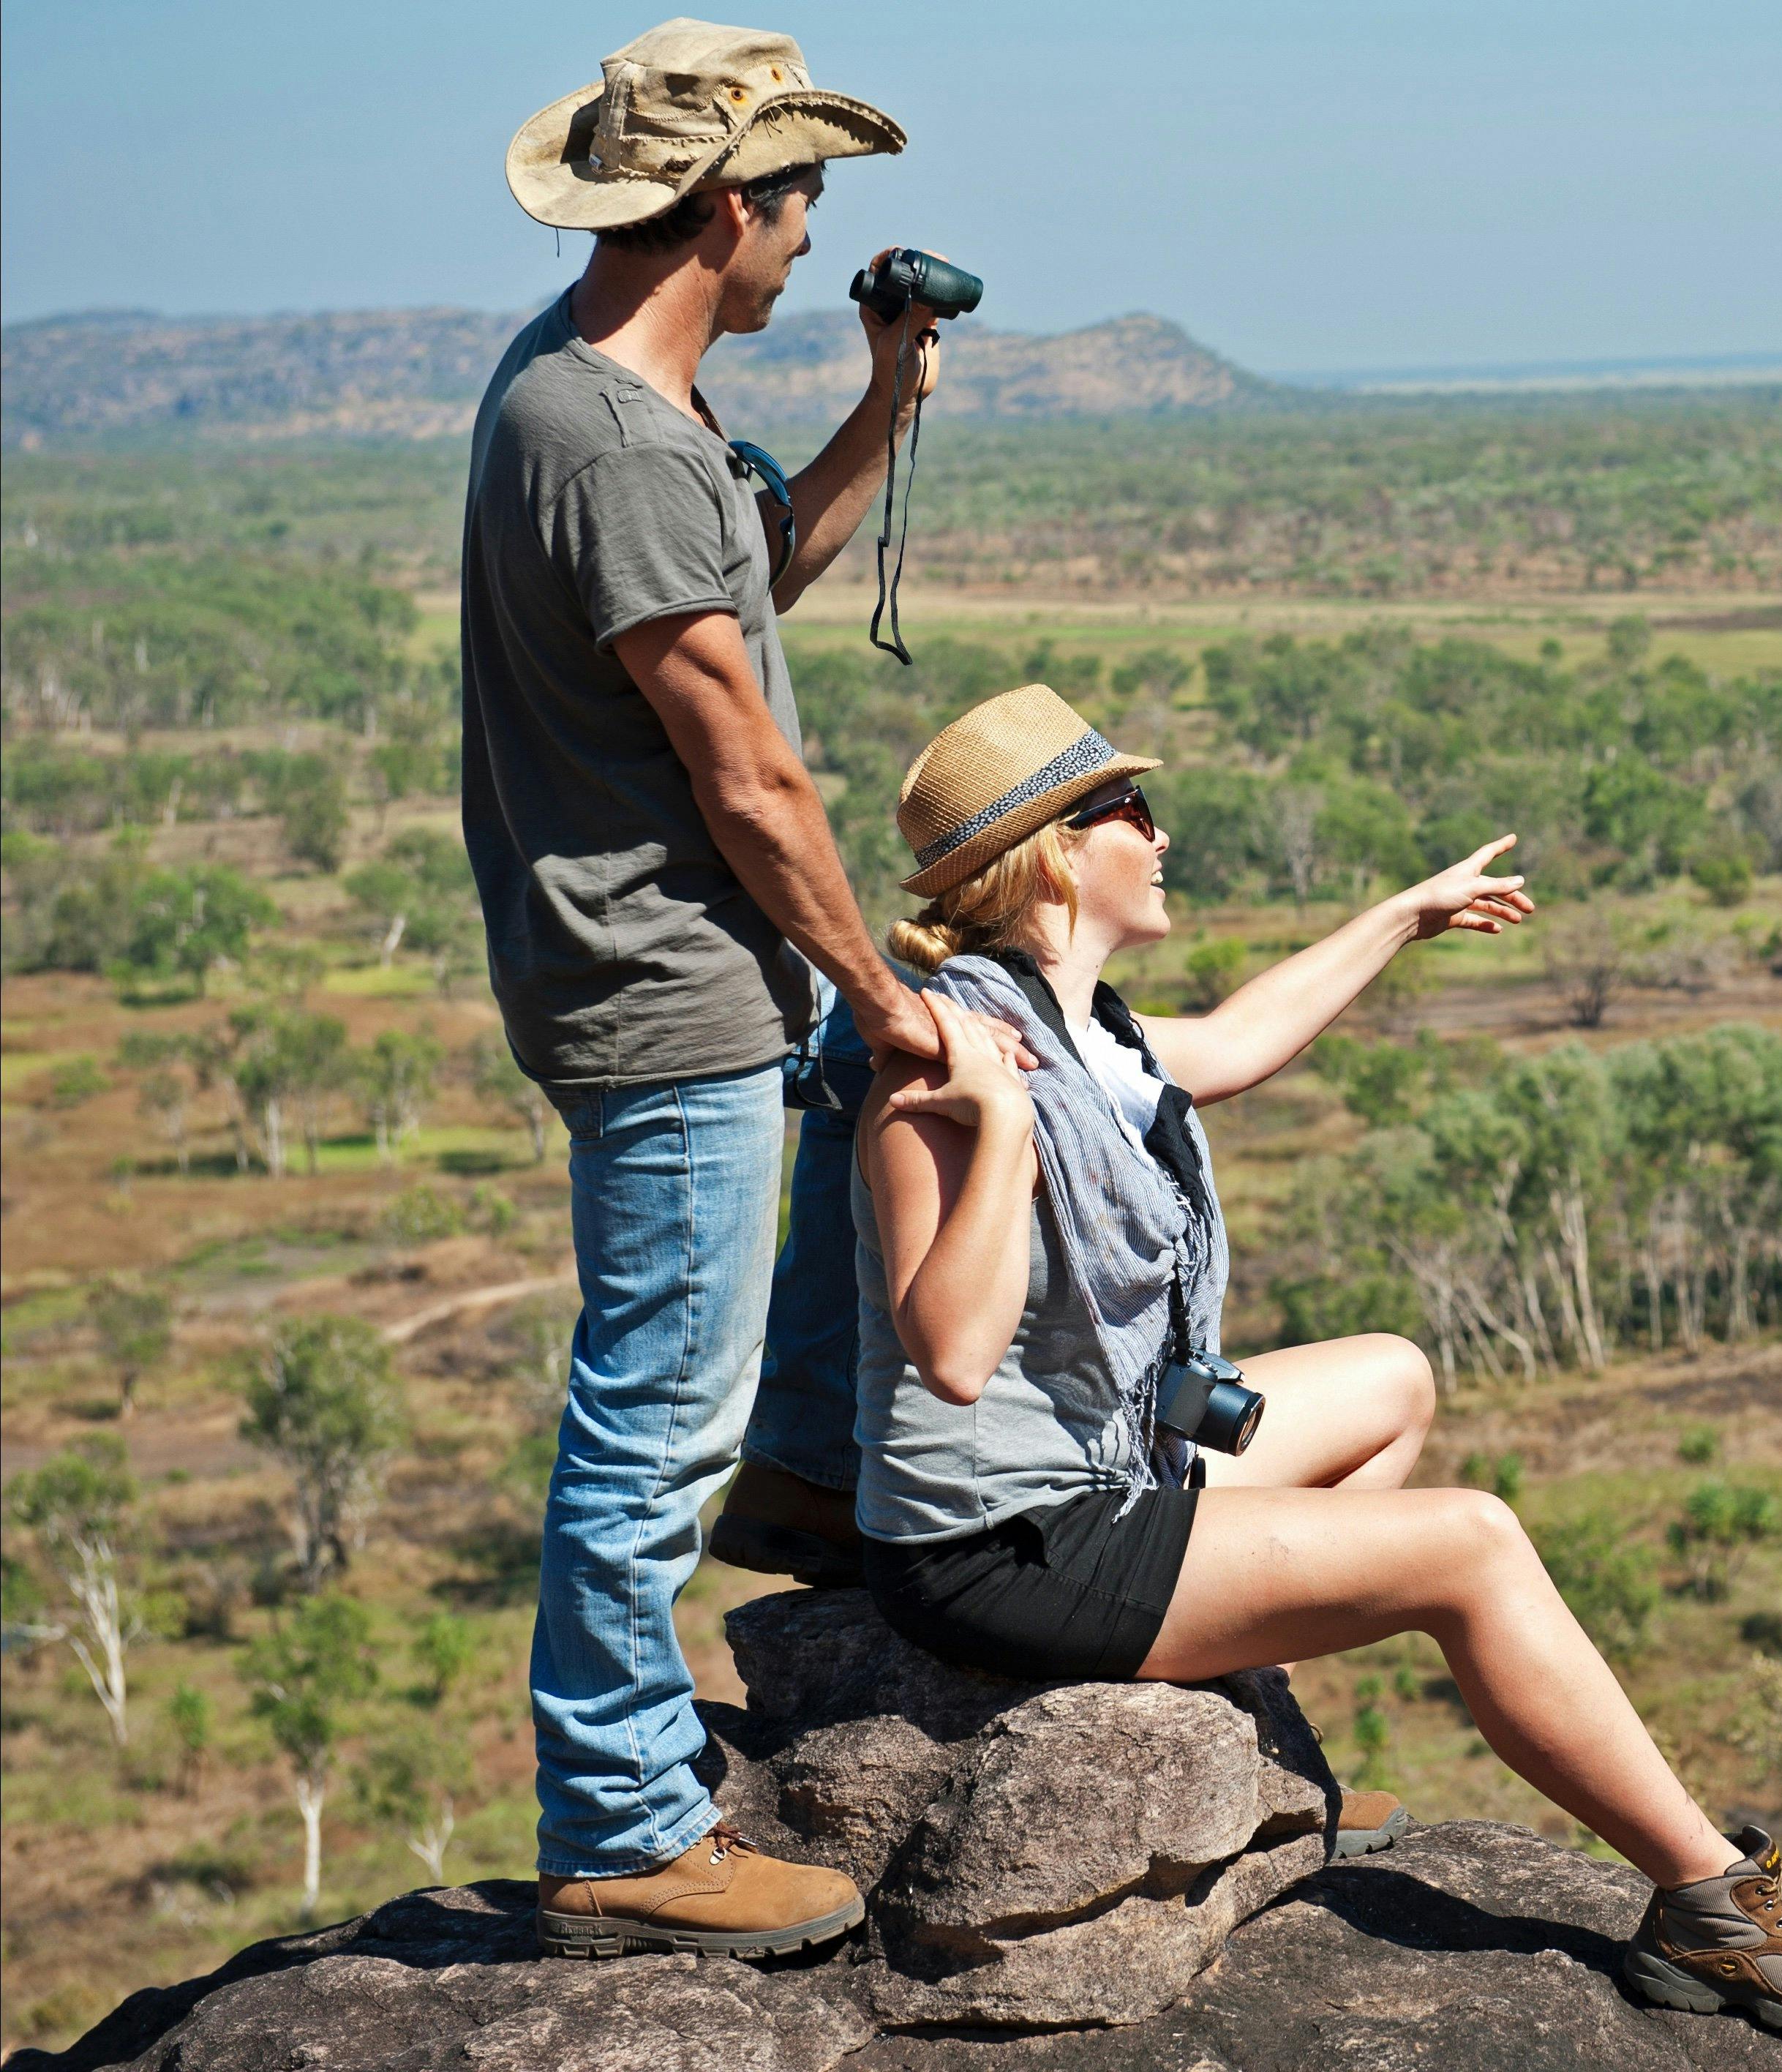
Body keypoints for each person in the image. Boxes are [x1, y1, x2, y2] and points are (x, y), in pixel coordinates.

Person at [847, 686, 1782, 2043]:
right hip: (1003, 1542)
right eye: (1131, 809)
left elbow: (1231, 1047)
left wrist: (1401, 919)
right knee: (1469, 1544)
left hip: (1112, 1468)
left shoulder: (1083, 1031)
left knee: (1393, 1380)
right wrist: (998, 1130)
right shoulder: (940, 1061)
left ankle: (1235, 1706)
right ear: (1056, 852)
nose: (1162, 832)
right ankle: (1713, 1904)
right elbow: (946, 1350)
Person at [473, 20, 1025, 1959]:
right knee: (646, 1415)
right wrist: (873, 981)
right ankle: (624, 1823)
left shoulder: (611, 400)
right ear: (729, 207)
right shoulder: (612, 439)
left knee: (713, 1376)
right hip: (672, 985)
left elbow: (751, 575)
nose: (810, 250)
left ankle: (797, 1470)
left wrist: (885, 396)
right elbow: (746, 769)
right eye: (801, 215)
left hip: (680, 972)